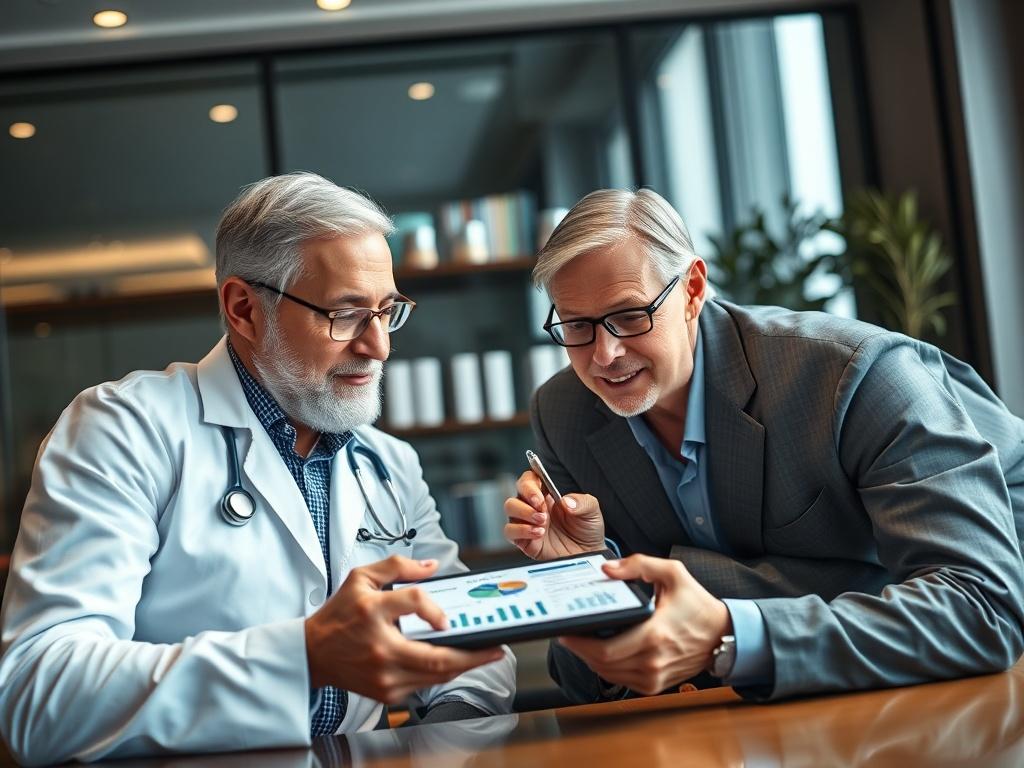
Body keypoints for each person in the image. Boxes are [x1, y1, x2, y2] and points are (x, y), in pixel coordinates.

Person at [0, 172, 515, 765]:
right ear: (244, 309)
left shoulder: (388, 463)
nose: (378, 347)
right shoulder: (124, 429)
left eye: (386, 311)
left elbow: (466, 645)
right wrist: (303, 656)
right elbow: (39, 693)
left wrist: (442, 737)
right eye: (345, 315)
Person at [504, 188, 1024, 703]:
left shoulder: (852, 375)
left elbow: (982, 611)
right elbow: (576, 677)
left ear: (691, 290)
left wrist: (731, 631)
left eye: (629, 315)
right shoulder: (564, 413)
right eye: (576, 325)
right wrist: (586, 581)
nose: (604, 355)